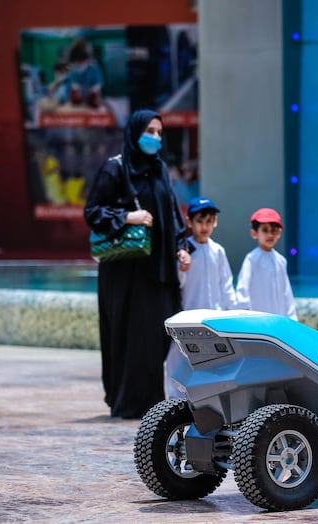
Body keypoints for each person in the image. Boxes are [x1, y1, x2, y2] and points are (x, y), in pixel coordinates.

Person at [84, 109, 192, 418]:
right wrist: (127, 217)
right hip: (126, 272)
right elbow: (93, 212)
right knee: (131, 337)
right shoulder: (114, 170)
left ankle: (150, 401)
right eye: (149, 131)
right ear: (134, 133)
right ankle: (130, 402)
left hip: (158, 271)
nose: (155, 138)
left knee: (159, 336)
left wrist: (181, 248)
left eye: (159, 132)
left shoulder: (160, 171)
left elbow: (172, 217)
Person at [164, 196, 238, 398]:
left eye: (209, 221)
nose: (204, 227)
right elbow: (178, 283)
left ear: (215, 222)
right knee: (180, 360)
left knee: (212, 362)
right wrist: (182, 266)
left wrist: (234, 310)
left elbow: (226, 285)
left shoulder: (218, 251)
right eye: (199, 221)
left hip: (213, 319)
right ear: (189, 222)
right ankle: (176, 402)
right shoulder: (185, 250)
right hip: (187, 316)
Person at [236, 208, 297, 320]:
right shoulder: (251, 259)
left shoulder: (281, 261)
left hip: (278, 319)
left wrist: (292, 317)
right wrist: (245, 313)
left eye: (273, 230)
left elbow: (286, 292)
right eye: (265, 230)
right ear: (254, 233)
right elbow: (243, 288)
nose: (270, 235)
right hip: (257, 320)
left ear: (279, 233)